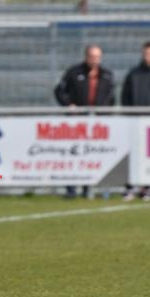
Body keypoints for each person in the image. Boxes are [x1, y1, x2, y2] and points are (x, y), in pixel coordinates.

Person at [54, 44, 115, 199]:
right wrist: (69, 104)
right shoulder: (74, 73)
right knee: (72, 154)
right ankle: (71, 189)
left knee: (93, 155)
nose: (95, 60)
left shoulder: (106, 75)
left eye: (97, 57)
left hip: (97, 123)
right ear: (86, 56)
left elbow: (111, 97)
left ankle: (89, 188)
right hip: (76, 122)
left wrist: (105, 112)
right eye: (92, 56)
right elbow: (59, 91)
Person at [121, 40, 150, 202]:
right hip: (135, 122)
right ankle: (130, 187)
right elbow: (125, 96)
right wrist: (129, 114)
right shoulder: (134, 74)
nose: (148, 57)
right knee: (133, 155)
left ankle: (148, 188)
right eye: (146, 53)